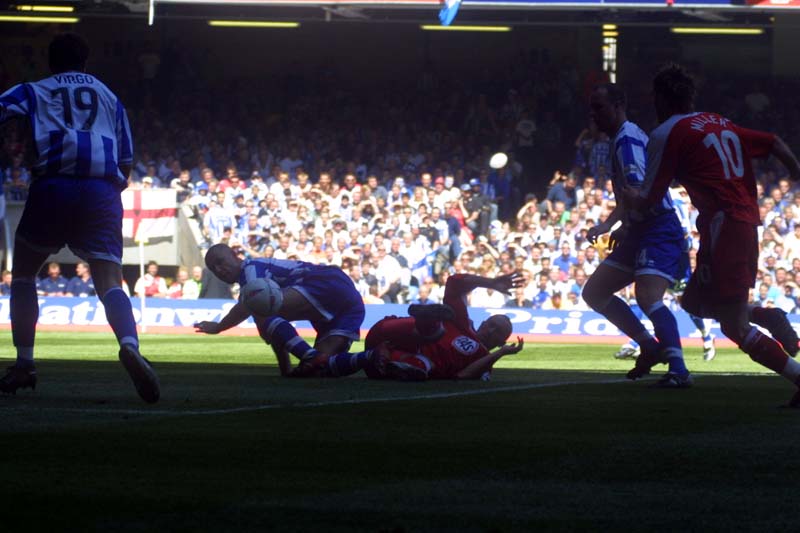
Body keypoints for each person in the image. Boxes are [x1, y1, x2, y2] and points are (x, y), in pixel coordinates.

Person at [626, 63, 800, 406]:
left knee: (732, 327)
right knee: (694, 303)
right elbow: (775, 142)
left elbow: (648, 199)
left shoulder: (666, 133)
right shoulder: (720, 122)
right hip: (736, 222)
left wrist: (627, 195)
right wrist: (796, 172)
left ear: (659, 98)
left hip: (726, 224)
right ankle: (766, 316)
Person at [0, 34, 159, 402]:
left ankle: (25, 363)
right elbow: (127, 161)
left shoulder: (34, 89)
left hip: (54, 185)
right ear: (85, 63)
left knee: (24, 272)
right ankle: (130, 345)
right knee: (110, 282)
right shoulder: (109, 96)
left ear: (50, 63)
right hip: (102, 193)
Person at [582, 82, 691, 388]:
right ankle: (649, 345)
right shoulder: (623, 137)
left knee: (648, 297)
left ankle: (679, 370)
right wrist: (609, 225)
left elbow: (640, 190)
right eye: (591, 108)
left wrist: (626, 224)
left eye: (599, 107)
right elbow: (628, 197)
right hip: (640, 228)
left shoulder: (627, 139)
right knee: (594, 292)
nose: (593, 115)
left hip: (658, 227)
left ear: (618, 105)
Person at [301, 272, 526, 380]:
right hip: (396, 331)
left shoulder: (485, 363)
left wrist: (501, 354)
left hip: (390, 356)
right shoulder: (462, 322)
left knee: (422, 366)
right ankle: (426, 322)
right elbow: (454, 282)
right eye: (492, 325)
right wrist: (490, 283)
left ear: (501, 342)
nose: (492, 331)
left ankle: (323, 364)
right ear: (483, 322)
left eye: (499, 333)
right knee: (438, 328)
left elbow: (463, 377)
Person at [194, 243, 366, 376]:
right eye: (213, 268)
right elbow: (273, 326)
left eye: (220, 262)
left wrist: (219, 327)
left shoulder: (251, 269)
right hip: (349, 302)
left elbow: (250, 308)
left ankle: (310, 357)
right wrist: (286, 370)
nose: (219, 270)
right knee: (321, 369)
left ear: (234, 255)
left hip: (325, 281)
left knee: (258, 307)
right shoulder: (253, 280)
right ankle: (374, 356)